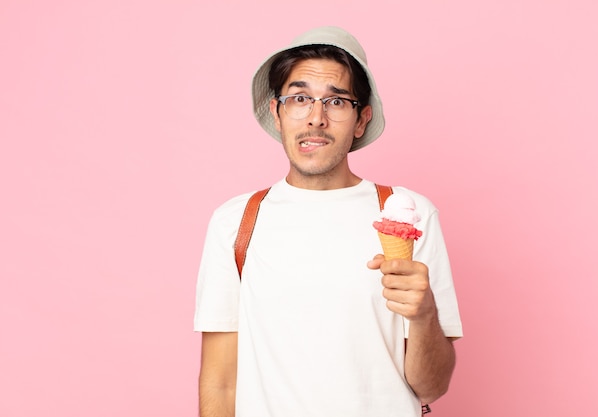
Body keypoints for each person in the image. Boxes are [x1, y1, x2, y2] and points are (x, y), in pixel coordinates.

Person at [194, 26, 462, 417]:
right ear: (278, 111)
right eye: (300, 98)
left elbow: (433, 387)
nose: (316, 118)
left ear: (361, 120)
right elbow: (220, 382)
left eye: (336, 102)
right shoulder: (235, 222)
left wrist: (423, 316)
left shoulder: (406, 212)